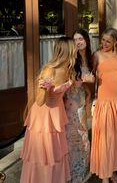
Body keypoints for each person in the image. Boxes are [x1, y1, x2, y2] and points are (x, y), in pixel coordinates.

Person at [20, 37, 77, 183]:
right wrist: (45, 87)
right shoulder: (49, 70)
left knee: (55, 154)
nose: (76, 49)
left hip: (57, 113)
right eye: (74, 46)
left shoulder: (69, 68)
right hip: (43, 117)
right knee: (42, 155)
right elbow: (39, 102)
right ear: (68, 50)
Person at [90, 27, 117, 183]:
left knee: (116, 137)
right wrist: (92, 98)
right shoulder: (97, 55)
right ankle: (105, 174)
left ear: (116, 41)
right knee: (105, 138)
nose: (104, 43)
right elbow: (91, 77)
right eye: (102, 40)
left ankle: (113, 169)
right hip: (105, 101)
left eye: (108, 41)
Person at [64, 29, 94, 183]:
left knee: (83, 134)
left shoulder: (90, 58)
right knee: (72, 135)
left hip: (82, 99)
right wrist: (84, 79)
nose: (78, 42)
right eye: (75, 39)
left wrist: (89, 96)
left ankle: (81, 170)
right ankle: (69, 173)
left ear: (86, 40)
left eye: (81, 38)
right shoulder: (71, 58)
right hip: (70, 100)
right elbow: (68, 80)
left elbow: (91, 82)